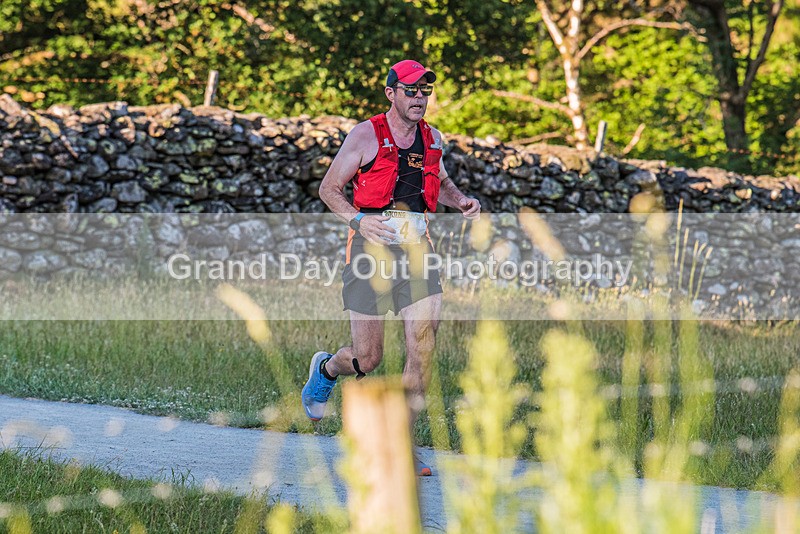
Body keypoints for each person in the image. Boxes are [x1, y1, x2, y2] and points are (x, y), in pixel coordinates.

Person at [300, 59, 480, 476]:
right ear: (391, 93)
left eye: (426, 91)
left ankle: (399, 443)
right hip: (369, 249)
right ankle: (327, 368)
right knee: (368, 356)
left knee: (424, 342)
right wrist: (359, 220)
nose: (420, 98)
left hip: (418, 250)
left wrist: (461, 201)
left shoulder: (432, 139)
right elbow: (329, 188)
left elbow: (443, 182)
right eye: (412, 90)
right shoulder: (366, 135)